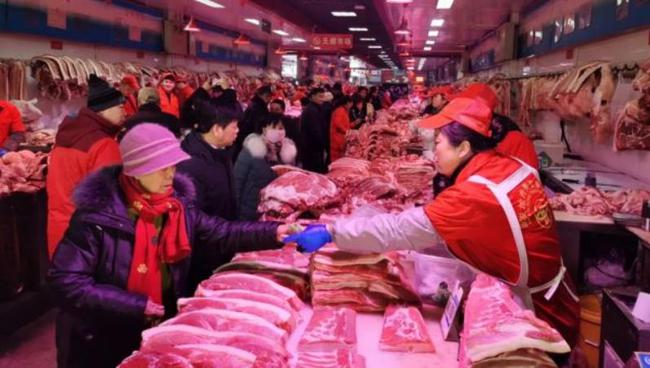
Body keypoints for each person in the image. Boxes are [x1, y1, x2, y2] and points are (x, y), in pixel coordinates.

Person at [285, 97, 580, 350]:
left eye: (438, 142)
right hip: (546, 295)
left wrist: (331, 232)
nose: (433, 150)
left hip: (534, 314)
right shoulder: (506, 166)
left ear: (463, 148)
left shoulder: (475, 193)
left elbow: (399, 230)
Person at [48, 123, 291, 368]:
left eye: (173, 166)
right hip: (100, 340)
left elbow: (222, 232)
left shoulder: (176, 207)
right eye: (161, 168)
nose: (170, 175)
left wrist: (276, 232)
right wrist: (136, 305)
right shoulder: (97, 218)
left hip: (155, 332)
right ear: (136, 170)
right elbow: (66, 282)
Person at [46, 74, 125, 258]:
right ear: (104, 110)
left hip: (59, 228)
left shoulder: (66, 136)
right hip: (88, 237)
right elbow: (109, 201)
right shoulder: (103, 144)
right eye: (120, 106)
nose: (125, 112)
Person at [176, 103, 241, 290]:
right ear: (217, 129)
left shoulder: (221, 154)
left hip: (223, 246)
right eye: (234, 126)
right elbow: (194, 223)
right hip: (202, 258)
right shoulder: (191, 165)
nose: (238, 131)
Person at [234, 115, 297, 220]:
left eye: (281, 128)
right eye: (273, 128)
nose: (278, 131)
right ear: (263, 129)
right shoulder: (252, 150)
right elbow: (237, 182)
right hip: (250, 212)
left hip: (275, 214)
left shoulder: (286, 153)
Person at [234, 85, 272, 160]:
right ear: (265, 95)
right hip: (251, 140)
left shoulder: (254, 104)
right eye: (269, 97)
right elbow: (257, 126)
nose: (270, 99)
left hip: (245, 139)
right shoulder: (259, 107)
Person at [300, 87, 328, 173]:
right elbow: (315, 131)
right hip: (312, 148)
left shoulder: (315, 108)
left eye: (323, 97)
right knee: (313, 173)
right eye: (320, 96)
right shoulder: (312, 110)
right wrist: (323, 145)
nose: (322, 99)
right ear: (312, 97)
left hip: (311, 147)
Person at [330, 96, 355, 162]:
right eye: (351, 104)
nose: (351, 106)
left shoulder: (344, 111)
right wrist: (347, 132)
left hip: (342, 137)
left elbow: (345, 124)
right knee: (336, 160)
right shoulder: (340, 110)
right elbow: (337, 124)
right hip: (337, 138)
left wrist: (354, 124)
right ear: (347, 103)